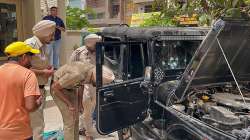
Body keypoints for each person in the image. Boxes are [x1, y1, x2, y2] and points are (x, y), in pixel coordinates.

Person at [51, 61, 115, 140]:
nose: (97, 86)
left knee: (76, 119)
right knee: (70, 121)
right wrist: (69, 104)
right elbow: (55, 88)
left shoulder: (91, 70)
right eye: (98, 84)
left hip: (71, 86)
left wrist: (80, 102)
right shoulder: (77, 74)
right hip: (59, 90)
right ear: (96, 79)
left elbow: (81, 84)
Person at [0, 42, 42, 140]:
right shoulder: (28, 74)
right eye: (30, 56)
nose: (32, 59)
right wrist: (38, 103)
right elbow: (30, 106)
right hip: (19, 133)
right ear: (23, 57)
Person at [25, 20, 56, 140]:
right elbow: (22, 68)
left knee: (38, 124)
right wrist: (44, 72)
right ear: (44, 32)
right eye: (51, 34)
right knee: (37, 126)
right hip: (33, 90)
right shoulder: (30, 45)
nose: (53, 38)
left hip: (40, 89)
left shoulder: (43, 46)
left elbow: (41, 64)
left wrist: (48, 68)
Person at [69, 34, 101, 139]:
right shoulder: (79, 52)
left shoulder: (101, 51)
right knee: (86, 108)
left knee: (91, 108)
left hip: (96, 84)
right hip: (83, 84)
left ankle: (83, 128)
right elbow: (71, 67)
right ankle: (89, 134)